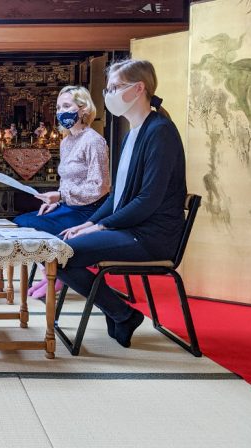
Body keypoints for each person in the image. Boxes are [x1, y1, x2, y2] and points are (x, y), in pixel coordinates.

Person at [58, 59, 186, 348]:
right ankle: (120, 312)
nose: (108, 95)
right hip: (132, 228)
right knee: (57, 247)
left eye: (114, 87)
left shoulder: (160, 132)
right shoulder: (133, 133)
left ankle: (121, 313)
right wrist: (88, 224)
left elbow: (147, 200)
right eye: (108, 89)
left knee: (59, 254)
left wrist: (100, 226)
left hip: (151, 235)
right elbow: (118, 197)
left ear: (139, 88)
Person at [13, 86, 110, 299]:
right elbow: (67, 182)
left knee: (32, 225)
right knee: (22, 222)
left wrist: (62, 197)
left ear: (83, 109)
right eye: (58, 107)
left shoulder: (94, 141)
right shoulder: (66, 141)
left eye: (66, 106)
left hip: (88, 211)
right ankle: (50, 274)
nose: (61, 111)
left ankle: (56, 275)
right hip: (68, 206)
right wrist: (56, 200)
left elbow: (99, 187)